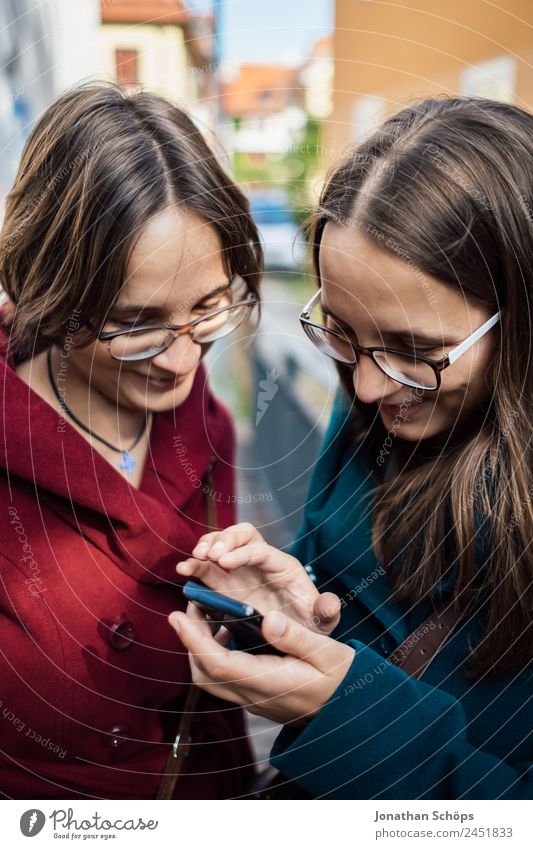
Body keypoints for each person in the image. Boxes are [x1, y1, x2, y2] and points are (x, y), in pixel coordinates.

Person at [170, 96, 533, 799]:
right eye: (338, 330)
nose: (364, 387)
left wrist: (349, 715)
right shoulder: (378, 403)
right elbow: (338, 603)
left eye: (413, 350)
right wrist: (280, 617)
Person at [0, 82, 263, 798]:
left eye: (208, 308)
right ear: (44, 289)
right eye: (133, 321)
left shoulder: (202, 421)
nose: (181, 360)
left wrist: (261, 623)